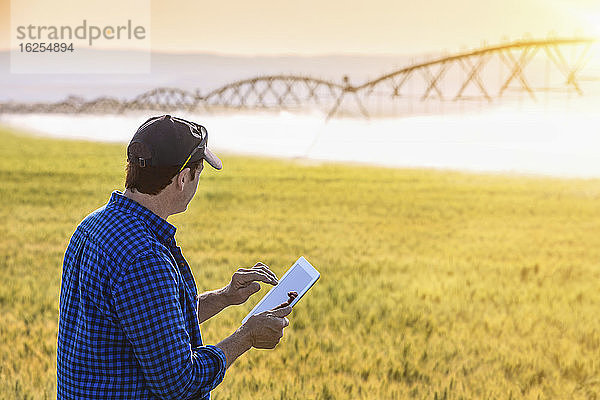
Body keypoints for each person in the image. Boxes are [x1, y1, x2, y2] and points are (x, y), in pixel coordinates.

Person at [57, 114, 297, 399]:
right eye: (199, 174)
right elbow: (180, 383)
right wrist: (246, 336)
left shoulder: (93, 225)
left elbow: (151, 327)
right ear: (183, 178)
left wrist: (225, 297)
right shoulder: (144, 257)